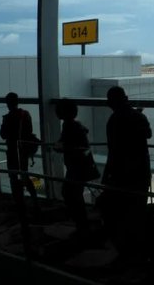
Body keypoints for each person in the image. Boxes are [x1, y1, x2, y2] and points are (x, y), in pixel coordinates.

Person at [100, 86, 154, 261]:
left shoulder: (113, 121)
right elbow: (148, 134)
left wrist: (107, 174)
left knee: (122, 212)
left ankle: (127, 250)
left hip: (121, 172)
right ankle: (142, 248)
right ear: (126, 98)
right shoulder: (138, 117)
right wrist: (139, 116)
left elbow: (113, 151)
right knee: (138, 208)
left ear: (111, 103)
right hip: (140, 170)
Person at [54, 99, 91, 239]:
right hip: (79, 166)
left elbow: (66, 145)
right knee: (75, 195)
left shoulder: (68, 126)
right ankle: (82, 226)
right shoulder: (75, 125)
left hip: (75, 167)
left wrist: (59, 148)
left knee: (70, 194)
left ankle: (81, 226)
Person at [0, 92, 39, 215]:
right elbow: (29, 131)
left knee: (13, 177)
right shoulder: (25, 114)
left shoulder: (7, 118)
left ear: (8, 103)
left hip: (12, 150)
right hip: (23, 150)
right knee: (25, 175)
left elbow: (3, 135)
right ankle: (35, 201)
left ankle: (18, 202)